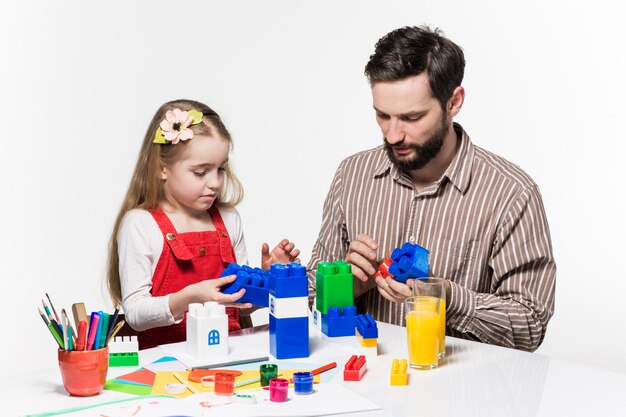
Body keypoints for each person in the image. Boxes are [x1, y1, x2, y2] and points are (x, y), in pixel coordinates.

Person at [308, 26, 556, 352]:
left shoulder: (511, 194)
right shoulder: (352, 175)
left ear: (453, 102)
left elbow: (529, 326)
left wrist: (444, 297)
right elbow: (310, 295)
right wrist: (346, 286)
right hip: (365, 386)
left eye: (412, 117)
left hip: (458, 394)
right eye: (383, 115)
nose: (393, 135)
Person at [107, 99, 300, 349]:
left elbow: (241, 306)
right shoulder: (140, 224)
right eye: (201, 172)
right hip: (165, 369)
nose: (215, 182)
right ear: (161, 168)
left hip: (228, 361)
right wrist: (190, 297)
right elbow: (135, 313)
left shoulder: (230, 220)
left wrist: (268, 280)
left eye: (220, 169)